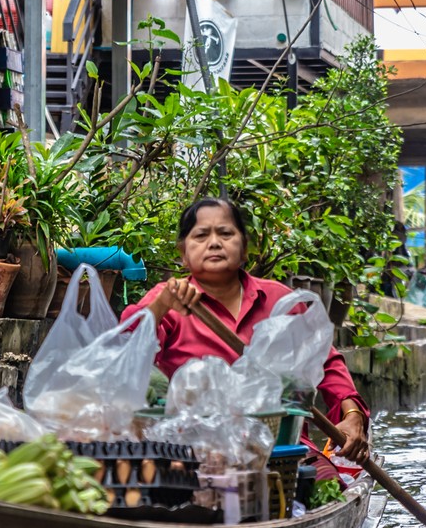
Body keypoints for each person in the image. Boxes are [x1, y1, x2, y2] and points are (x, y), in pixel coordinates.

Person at [122, 198, 371, 462]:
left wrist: (352, 415)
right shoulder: (167, 299)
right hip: (195, 452)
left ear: (245, 250)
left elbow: (327, 362)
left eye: (226, 233)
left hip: (284, 449)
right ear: (183, 253)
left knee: (320, 480)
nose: (215, 242)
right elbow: (126, 352)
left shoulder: (281, 301)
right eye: (201, 235)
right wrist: (161, 307)